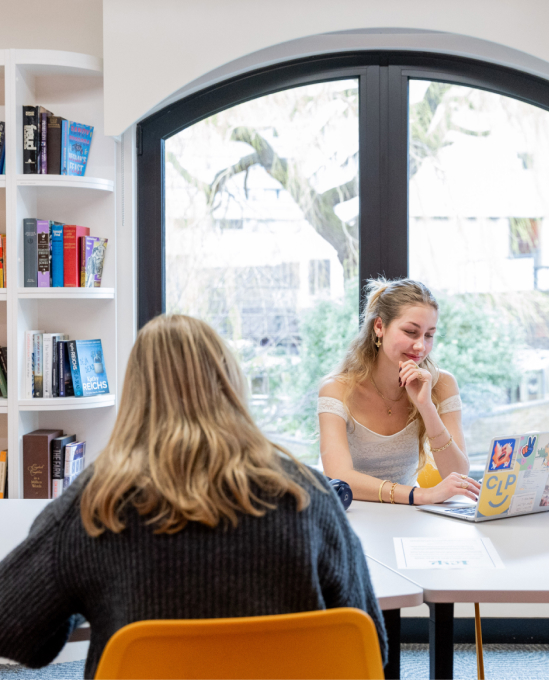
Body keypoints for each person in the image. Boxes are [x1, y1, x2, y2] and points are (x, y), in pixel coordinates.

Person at [0, 315, 386, 678]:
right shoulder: (306, 494)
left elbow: (15, 632)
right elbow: (369, 643)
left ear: (137, 396)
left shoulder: (94, 504)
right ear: (232, 385)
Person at [318, 278, 481, 505]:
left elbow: (456, 473)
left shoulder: (442, 384)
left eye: (429, 335)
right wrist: (419, 495)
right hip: (353, 515)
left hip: (406, 515)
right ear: (379, 327)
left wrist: (426, 407)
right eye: (410, 332)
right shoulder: (337, 389)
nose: (420, 347)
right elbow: (339, 476)